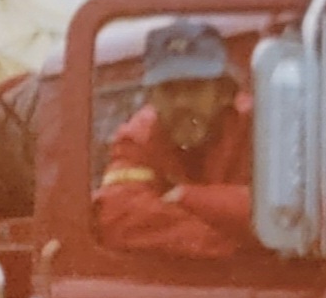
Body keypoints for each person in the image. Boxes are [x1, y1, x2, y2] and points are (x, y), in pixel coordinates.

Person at [93, 17, 258, 259]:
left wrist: (188, 197)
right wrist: (225, 245)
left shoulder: (261, 128)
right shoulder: (138, 138)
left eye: (194, 87)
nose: (181, 103)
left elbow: (281, 212)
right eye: (169, 89)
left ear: (223, 92)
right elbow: (119, 214)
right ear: (152, 97)